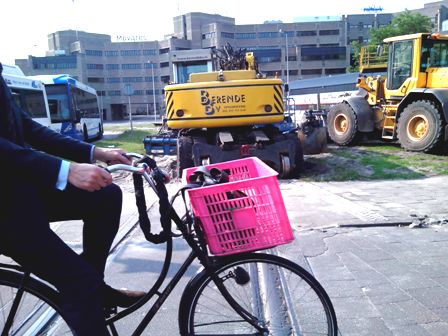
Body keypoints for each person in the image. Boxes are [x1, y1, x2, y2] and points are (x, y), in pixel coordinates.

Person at [0, 63, 144, 335]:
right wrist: (65, 170)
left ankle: (94, 288)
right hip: (5, 212)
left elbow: (28, 129)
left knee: (107, 195)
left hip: (18, 192)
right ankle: (86, 289)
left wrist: (94, 152)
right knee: (80, 285)